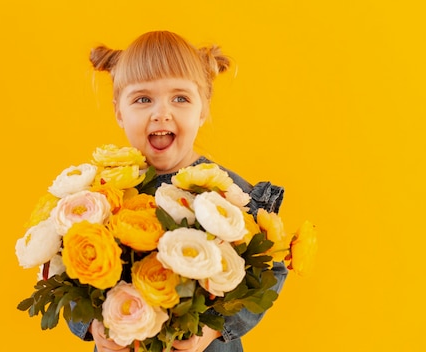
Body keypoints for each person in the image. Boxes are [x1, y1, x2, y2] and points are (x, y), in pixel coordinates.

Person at [67, 30, 287, 352]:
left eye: (180, 98)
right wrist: (92, 324)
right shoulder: (101, 195)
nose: (161, 113)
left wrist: (212, 332)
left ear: (203, 109)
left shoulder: (226, 194)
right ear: (118, 111)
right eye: (143, 99)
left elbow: (270, 272)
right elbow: (65, 270)